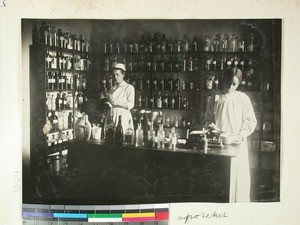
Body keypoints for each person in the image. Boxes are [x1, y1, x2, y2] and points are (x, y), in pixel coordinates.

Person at [203, 68, 257, 202]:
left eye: (234, 84)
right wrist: (210, 127)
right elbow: (208, 119)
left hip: (237, 144)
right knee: (220, 177)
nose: (230, 86)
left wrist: (242, 134)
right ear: (223, 80)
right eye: (228, 82)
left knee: (237, 179)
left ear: (238, 84)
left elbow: (250, 120)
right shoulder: (215, 98)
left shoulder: (242, 98)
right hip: (218, 144)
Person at [106, 63, 135, 132]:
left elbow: (131, 105)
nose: (115, 77)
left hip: (123, 116)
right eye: (114, 75)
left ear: (123, 75)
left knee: (122, 135)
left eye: (117, 74)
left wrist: (116, 102)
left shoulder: (129, 87)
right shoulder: (112, 88)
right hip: (111, 114)